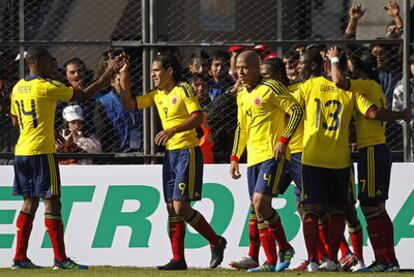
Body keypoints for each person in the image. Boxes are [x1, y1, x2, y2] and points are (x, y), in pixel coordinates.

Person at [9, 47, 122, 269]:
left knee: (29, 203)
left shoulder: (18, 87)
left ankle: (19, 258)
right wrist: (108, 73)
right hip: (41, 153)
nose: (53, 66)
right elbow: (85, 94)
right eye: (50, 62)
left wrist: (41, 125)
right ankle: (60, 259)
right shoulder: (48, 86)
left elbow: (15, 121)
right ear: (38, 62)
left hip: (21, 152)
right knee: (52, 204)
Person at [119, 53, 226, 270]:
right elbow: (130, 103)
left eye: (157, 70)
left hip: (187, 151)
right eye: (152, 71)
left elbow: (197, 116)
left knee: (180, 206)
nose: (153, 75)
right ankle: (178, 259)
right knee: (171, 207)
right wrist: (123, 74)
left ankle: (216, 241)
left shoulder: (183, 89)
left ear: (169, 72)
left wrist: (173, 130)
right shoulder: (157, 94)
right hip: (170, 155)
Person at [329, 47, 410, 272]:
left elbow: (340, 83)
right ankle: (389, 261)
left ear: (360, 70)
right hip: (377, 149)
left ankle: (383, 261)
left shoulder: (363, 86)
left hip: (372, 151)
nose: (349, 73)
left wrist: (334, 58)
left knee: (370, 207)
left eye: (352, 69)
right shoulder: (372, 86)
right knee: (379, 209)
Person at [230, 51, 302, 273]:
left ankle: (284, 247)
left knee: (261, 203)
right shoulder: (242, 95)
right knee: (258, 208)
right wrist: (234, 157)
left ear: (256, 67)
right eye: (237, 68)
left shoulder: (272, 88)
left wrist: (283, 141)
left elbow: (296, 110)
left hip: (272, 155)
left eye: (244, 67)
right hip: (252, 158)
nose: (240, 72)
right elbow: (241, 128)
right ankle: (270, 261)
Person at [93, 73, 143, 153]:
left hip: (140, 151)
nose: (123, 83)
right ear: (112, 82)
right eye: (119, 80)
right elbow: (103, 133)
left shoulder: (140, 99)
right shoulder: (104, 103)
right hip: (117, 154)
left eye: (126, 80)